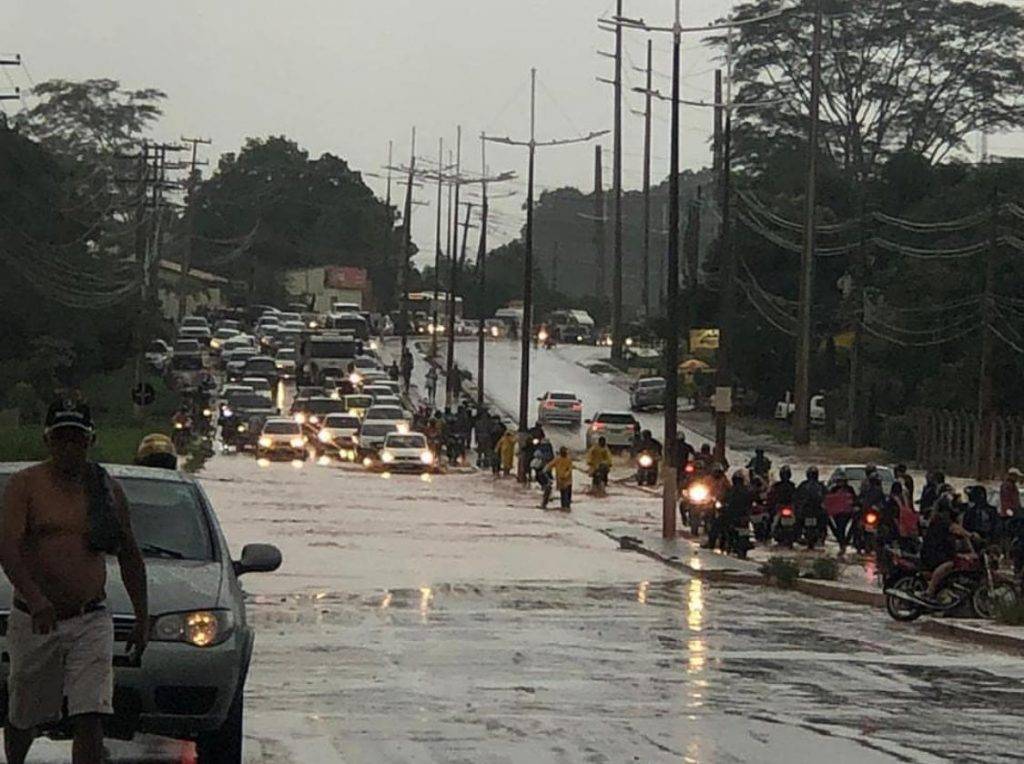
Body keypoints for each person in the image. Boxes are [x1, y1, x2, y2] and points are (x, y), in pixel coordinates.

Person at [1, 400, 149, 764]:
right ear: (48, 440)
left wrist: (142, 618)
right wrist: (36, 600)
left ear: (90, 440)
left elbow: (129, 554)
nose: (70, 446)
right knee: (24, 713)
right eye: (61, 437)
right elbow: (7, 548)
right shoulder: (26, 486)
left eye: (77, 438)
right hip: (35, 620)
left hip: (90, 617)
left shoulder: (105, 489)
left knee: (91, 710)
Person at [921, 495, 975, 603]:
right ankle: (929, 592)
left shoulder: (944, 519)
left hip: (941, 552)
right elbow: (957, 530)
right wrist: (972, 535)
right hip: (933, 553)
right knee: (949, 564)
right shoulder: (941, 519)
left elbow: (960, 535)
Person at [823, 469, 857, 554]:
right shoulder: (833, 489)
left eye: (842, 481)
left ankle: (844, 542)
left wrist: (855, 506)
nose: (840, 483)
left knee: (849, 526)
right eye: (839, 481)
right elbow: (828, 500)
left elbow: (855, 499)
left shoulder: (850, 489)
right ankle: (842, 543)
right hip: (836, 514)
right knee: (838, 529)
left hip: (847, 513)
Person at [532, 438, 556, 506]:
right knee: (546, 479)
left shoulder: (541, 448)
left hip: (542, 466)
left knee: (543, 479)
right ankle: (547, 493)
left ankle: (546, 495)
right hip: (545, 466)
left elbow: (536, 454)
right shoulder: (549, 449)